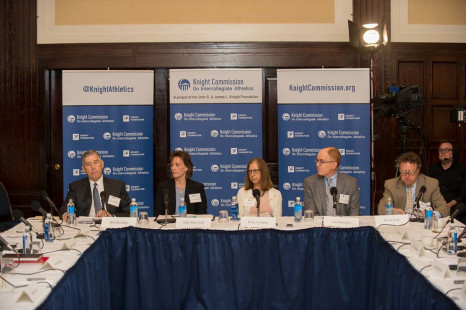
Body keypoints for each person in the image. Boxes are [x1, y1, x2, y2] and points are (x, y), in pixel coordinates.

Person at [60, 150, 130, 220]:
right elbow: (64, 209)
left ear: (102, 164)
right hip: (85, 227)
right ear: (83, 169)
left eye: (95, 162)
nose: (93, 167)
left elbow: (128, 212)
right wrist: (66, 215)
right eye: (88, 164)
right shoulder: (76, 187)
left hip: (110, 226)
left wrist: (111, 217)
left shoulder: (118, 186)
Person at [378, 151, 449, 217]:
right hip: (400, 226)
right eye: (403, 172)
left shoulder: (431, 184)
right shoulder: (391, 185)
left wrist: (432, 215)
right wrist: (392, 211)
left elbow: (445, 208)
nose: (407, 176)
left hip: (421, 225)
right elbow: (381, 209)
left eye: (411, 172)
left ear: (418, 171)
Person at [304, 147, 360, 216]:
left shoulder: (351, 183)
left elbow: (354, 212)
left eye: (321, 161)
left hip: (344, 225)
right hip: (319, 225)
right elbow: (311, 212)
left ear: (333, 165)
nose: (317, 164)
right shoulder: (310, 182)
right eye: (317, 161)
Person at [154, 150, 207, 217]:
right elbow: (158, 214)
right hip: (169, 226)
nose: (173, 168)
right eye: (172, 165)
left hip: (191, 225)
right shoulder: (163, 187)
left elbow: (202, 214)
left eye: (177, 165)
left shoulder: (197, 188)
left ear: (186, 167)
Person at [427, 141, 466, 223]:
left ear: (453, 152)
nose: (443, 152)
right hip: (435, 207)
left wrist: (446, 206)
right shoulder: (433, 168)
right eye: (441, 150)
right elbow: (429, 189)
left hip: (454, 207)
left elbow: (461, 195)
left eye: (446, 150)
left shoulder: (461, 170)